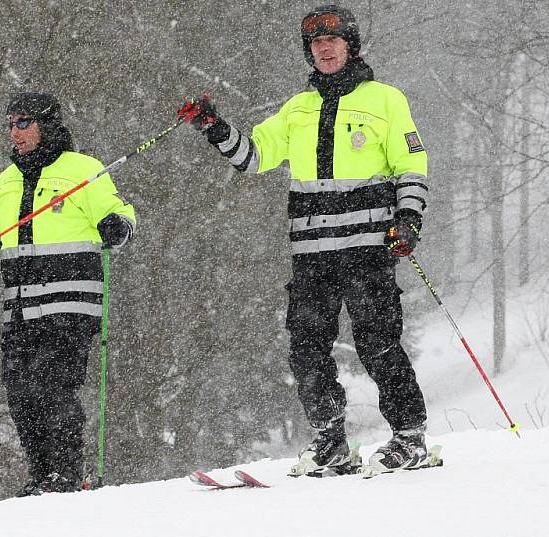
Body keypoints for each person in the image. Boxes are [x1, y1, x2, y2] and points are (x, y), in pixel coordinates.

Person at [178, 4, 429, 475]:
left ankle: (409, 436)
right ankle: (330, 440)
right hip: (313, 255)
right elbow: (253, 157)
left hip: (366, 249)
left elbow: (411, 162)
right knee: (306, 347)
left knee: (378, 343)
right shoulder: (297, 109)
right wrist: (214, 127)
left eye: (333, 40)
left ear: (350, 45)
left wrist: (409, 217)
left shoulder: (385, 100)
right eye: (316, 43)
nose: (325, 48)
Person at [0, 91, 136, 495]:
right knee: (20, 392)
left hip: (69, 300)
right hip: (20, 306)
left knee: (51, 385)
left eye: (23, 123)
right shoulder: (7, 180)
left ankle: (64, 473)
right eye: (9, 124)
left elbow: (121, 213)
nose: (14, 132)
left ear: (48, 124)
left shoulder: (82, 169)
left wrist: (117, 227)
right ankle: (41, 476)